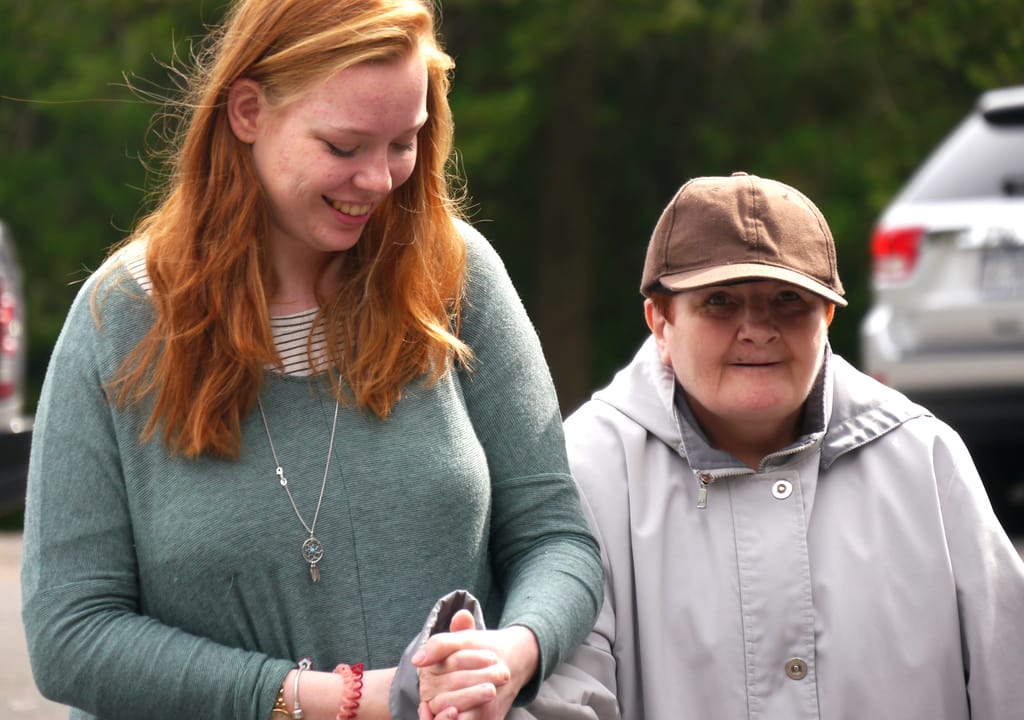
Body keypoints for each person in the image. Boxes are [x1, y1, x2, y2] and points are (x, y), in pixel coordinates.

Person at [20, 2, 603, 719]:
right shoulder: (123, 318)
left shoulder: (455, 276)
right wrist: (334, 701)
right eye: (344, 146)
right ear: (246, 112)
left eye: (404, 142)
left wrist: (512, 653)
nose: (381, 180)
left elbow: (556, 539)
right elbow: (69, 636)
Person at [554, 172, 1024, 719]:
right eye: (720, 301)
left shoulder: (926, 459)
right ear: (660, 321)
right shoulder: (586, 471)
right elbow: (563, 695)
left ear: (826, 317)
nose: (757, 328)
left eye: (788, 299)